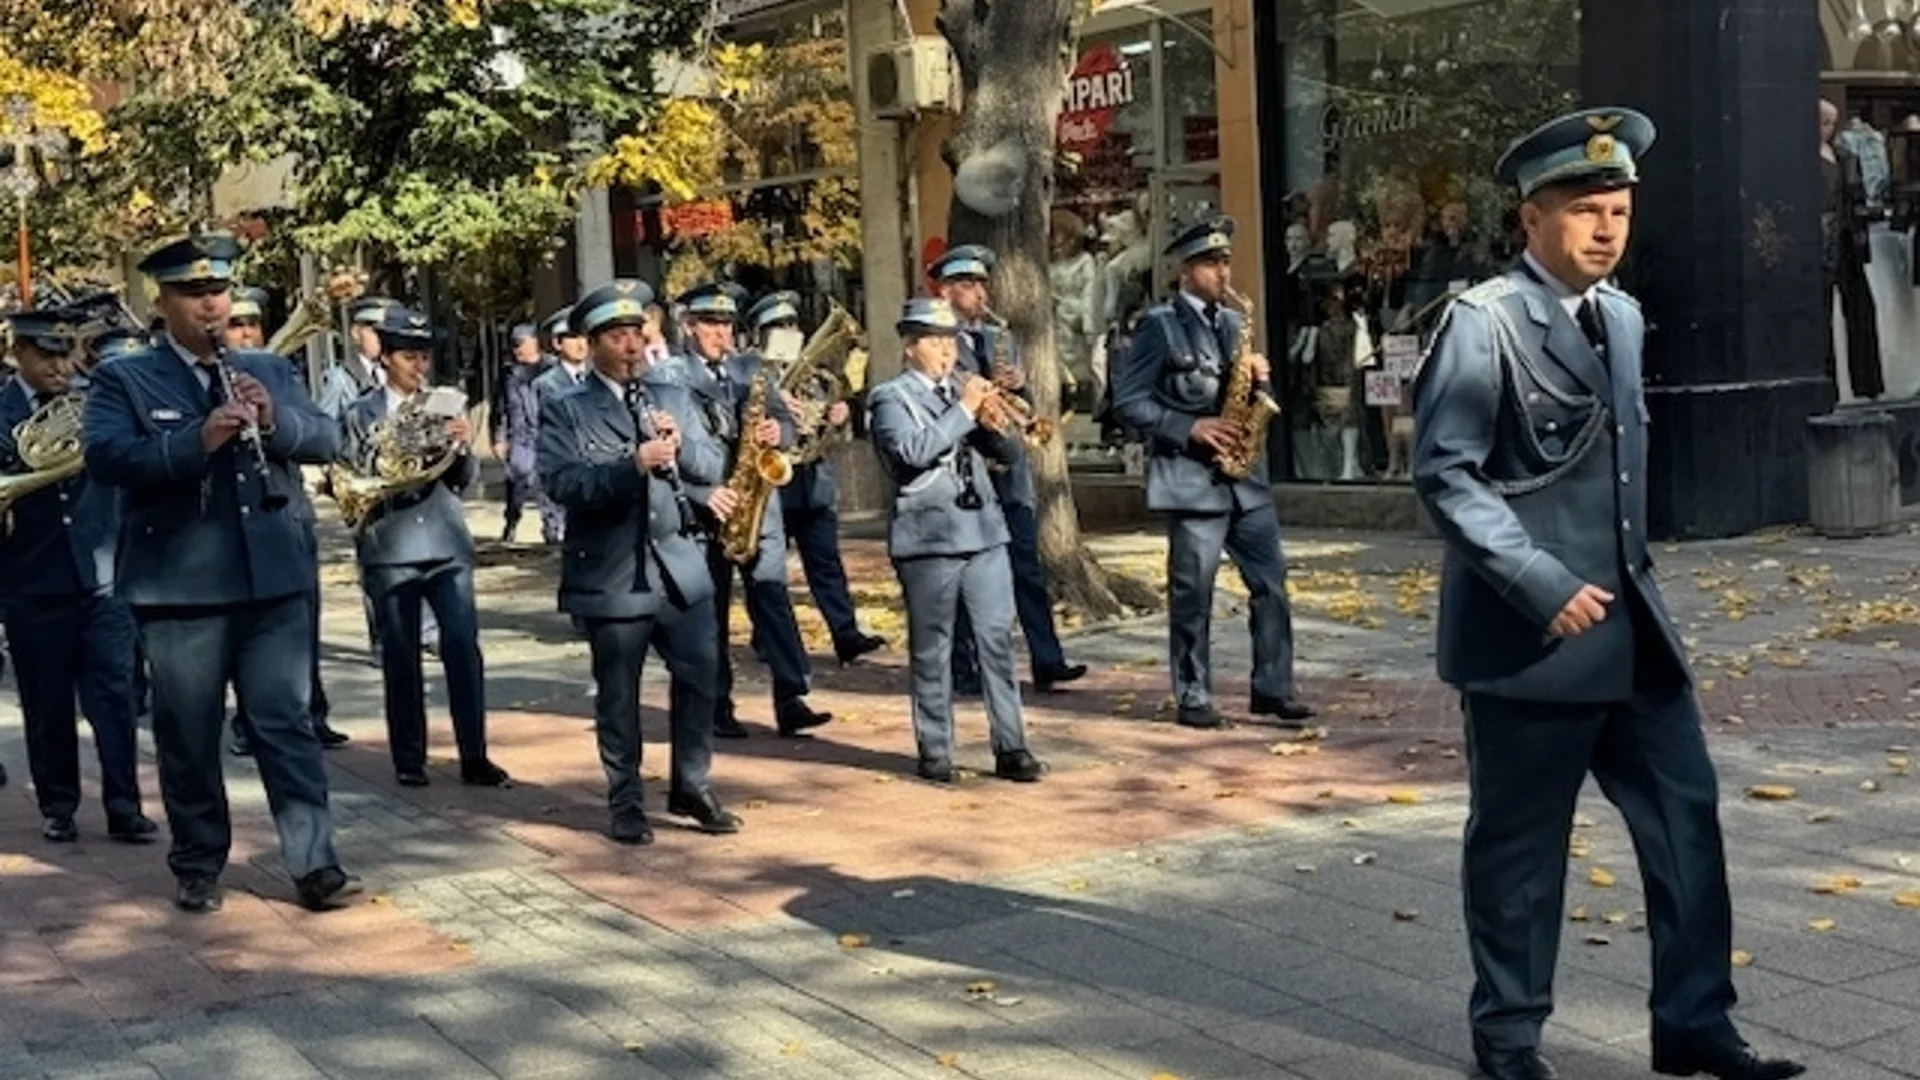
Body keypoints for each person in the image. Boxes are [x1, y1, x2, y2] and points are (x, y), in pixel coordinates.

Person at [1412, 109, 1802, 1080]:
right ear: (1531, 219)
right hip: (1528, 644)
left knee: (1687, 825)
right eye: (1583, 209)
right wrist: (1539, 581)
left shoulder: (1621, 316)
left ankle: (1695, 1022)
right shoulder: (1483, 322)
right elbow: (1447, 474)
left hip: (1632, 639)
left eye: (1618, 209)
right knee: (1521, 856)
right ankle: (1507, 1040)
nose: (1605, 228)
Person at [81, 231, 355, 914]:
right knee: (188, 729)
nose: (211, 305)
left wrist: (275, 418)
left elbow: (328, 438)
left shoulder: (269, 365)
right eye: (193, 293)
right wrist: (192, 442)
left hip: (273, 577)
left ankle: (315, 862)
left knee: (284, 722)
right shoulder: (127, 376)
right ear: (162, 300)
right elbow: (107, 458)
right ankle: (199, 861)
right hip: (181, 586)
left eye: (219, 291)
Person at [538, 279, 742, 843]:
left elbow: (709, 462)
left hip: (679, 565)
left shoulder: (670, 396)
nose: (633, 347)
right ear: (594, 343)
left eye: (637, 334)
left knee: (701, 677)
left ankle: (691, 783)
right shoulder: (567, 409)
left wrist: (683, 447)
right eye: (619, 337)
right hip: (614, 573)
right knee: (620, 694)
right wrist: (633, 464)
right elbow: (562, 482)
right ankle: (625, 800)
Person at [1110, 218, 1312, 730]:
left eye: (1225, 262)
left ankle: (1272, 687)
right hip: (1192, 480)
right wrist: (1187, 426)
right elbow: (1128, 401)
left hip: (1245, 481)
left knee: (1271, 586)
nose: (1223, 272)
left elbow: (1238, 399)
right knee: (1192, 592)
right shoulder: (1159, 324)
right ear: (1185, 270)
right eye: (1211, 263)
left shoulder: (1230, 323)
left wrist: (1257, 385)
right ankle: (1193, 693)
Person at [867, 298, 1044, 784]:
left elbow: (1008, 453)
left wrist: (996, 415)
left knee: (997, 644)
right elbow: (910, 453)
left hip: (984, 533)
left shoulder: (960, 393)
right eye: (936, 342)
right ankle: (936, 749)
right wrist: (965, 409)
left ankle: (1012, 746)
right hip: (928, 539)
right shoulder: (890, 398)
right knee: (933, 649)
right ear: (910, 346)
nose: (947, 352)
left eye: (951, 342)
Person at [0, 307, 157, 844]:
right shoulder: (0, 412)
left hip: (102, 573)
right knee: (46, 704)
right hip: (31, 577)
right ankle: (59, 805)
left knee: (114, 698)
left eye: (65, 353)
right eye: (46, 355)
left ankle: (124, 805)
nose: (59, 366)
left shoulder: (99, 403)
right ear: (18, 352)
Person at [650, 282, 831, 739]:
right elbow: (669, 449)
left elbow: (789, 426)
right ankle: (717, 706)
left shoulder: (752, 368)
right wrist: (701, 492)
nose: (722, 333)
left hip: (757, 506)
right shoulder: (667, 378)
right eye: (711, 324)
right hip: (708, 508)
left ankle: (792, 697)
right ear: (689, 327)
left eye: (728, 324)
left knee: (772, 599)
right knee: (711, 615)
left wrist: (779, 432)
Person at [341, 305, 510, 789]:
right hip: (391, 544)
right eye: (410, 357)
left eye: (424, 358)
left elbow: (465, 482)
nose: (420, 367)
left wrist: (461, 446)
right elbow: (351, 475)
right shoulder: (361, 412)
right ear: (388, 358)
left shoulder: (444, 405)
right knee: (400, 657)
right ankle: (409, 758)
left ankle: (474, 755)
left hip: (445, 543)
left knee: (463, 651)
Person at [929, 246, 1086, 695]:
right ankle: (965, 666)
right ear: (946, 292)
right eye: (967, 285)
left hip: (1010, 472)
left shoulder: (1003, 338)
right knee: (964, 575)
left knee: (1027, 568)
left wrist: (1020, 390)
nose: (979, 293)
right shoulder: (937, 340)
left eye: (982, 284)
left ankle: (1047, 659)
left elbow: (1027, 409)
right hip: (969, 471)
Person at [746, 290, 885, 667]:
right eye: (778, 326)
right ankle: (766, 636)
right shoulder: (752, 374)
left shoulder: (813, 375)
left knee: (825, 560)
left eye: (792, 325)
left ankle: (845, 633)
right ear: (761, 333)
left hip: (813, 476)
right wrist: (775, 407)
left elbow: (826, 421)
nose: (789, 332)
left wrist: (837, 413)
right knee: (768, 567)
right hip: (773, 479)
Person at [490, 323, 556, 544]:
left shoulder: (552, 368)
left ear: (535, 342)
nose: (517, 350)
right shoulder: (508, 374)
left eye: (521, 344)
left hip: (547, 434)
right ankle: (511, 521)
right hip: (520, 436)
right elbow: (498, 409)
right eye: (514, 345)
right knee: (517, 481)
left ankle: (552, 529)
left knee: (548, 484)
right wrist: (498, 438)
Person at [318, 297, 392, 420]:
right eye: (374, 331)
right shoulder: (339, 380)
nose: (381, 338)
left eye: (386, 332)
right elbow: (326, 430)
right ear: (356, 333)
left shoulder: (394, 373)